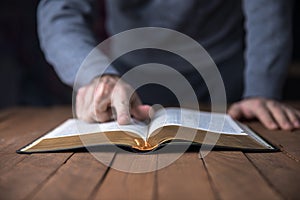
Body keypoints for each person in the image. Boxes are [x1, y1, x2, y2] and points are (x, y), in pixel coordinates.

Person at [37, 0, 300, 130]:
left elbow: (267, 7)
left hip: (227, 78)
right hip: (127, 79)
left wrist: (261, 88)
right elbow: (61, 13)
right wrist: (96, 75)